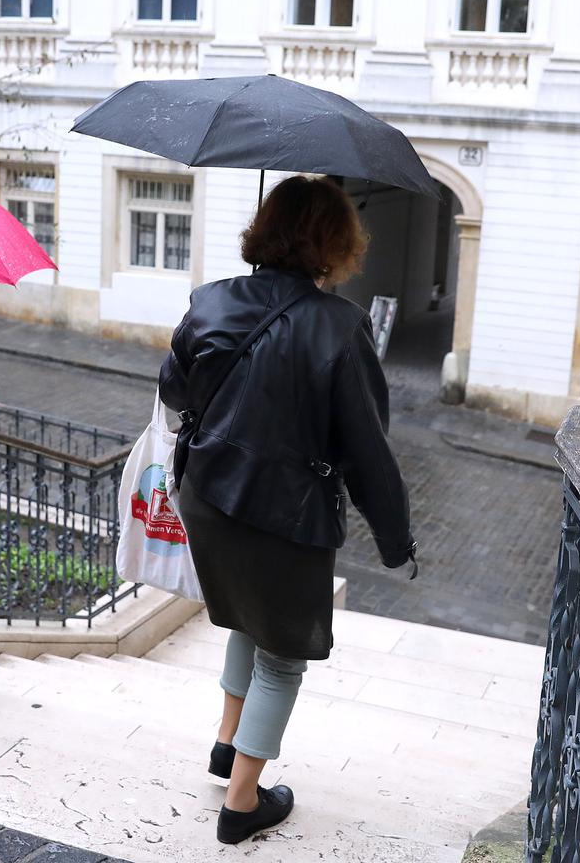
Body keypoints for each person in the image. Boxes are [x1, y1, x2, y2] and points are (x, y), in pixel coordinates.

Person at [158, 175, 417, 845]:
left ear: (265, 229)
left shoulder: (210, 301)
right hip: (283, 512)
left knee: (249, 616)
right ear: (335, 244)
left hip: (209, 495)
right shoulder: (339, 326)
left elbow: (173, 388)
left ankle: (225, 743)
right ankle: (242, 802)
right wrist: (394, 537)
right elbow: (365, 447)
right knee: (281, 653)